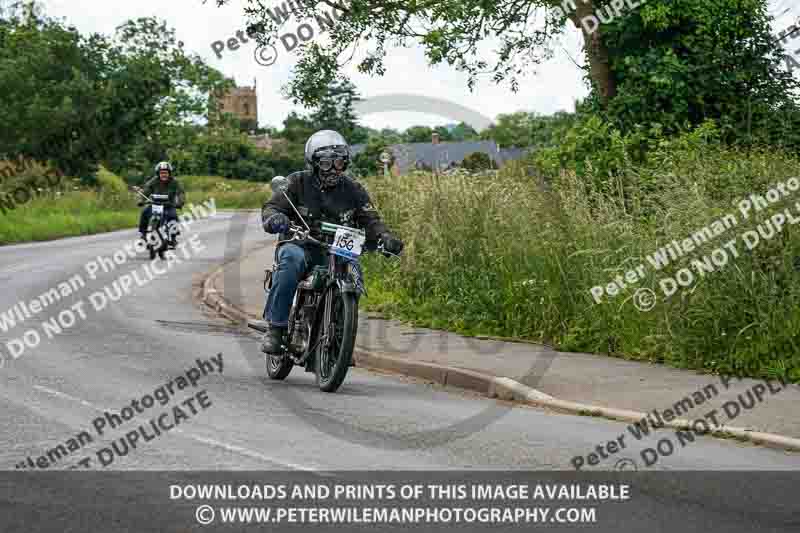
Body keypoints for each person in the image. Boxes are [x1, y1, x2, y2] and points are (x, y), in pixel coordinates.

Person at [260, 130, 404, 354]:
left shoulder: (354, 189)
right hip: (301, 244)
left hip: (338, 248)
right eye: (327, 163)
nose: (334, 169)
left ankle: (341, 341)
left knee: (353, 273)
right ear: (314, 163)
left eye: (339, 162)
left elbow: (371, 219)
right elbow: (273, 207)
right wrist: (275, 218)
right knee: (289, 261)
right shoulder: (297, 182)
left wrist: (385, 237)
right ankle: (276, 329)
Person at [138, 161, 185, 245]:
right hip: (154, 204)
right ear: (158, 173)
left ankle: (173, 237)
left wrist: (180, 202)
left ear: (169, 173)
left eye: (166, 173)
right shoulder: (153, 181)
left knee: (173, 217)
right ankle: (143, 235)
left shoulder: (175, 182)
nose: (164, 175)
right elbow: (146, 191)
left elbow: (180, 193)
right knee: (144, 212)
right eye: (162, 173)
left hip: (169, 205)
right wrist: (141, 200)